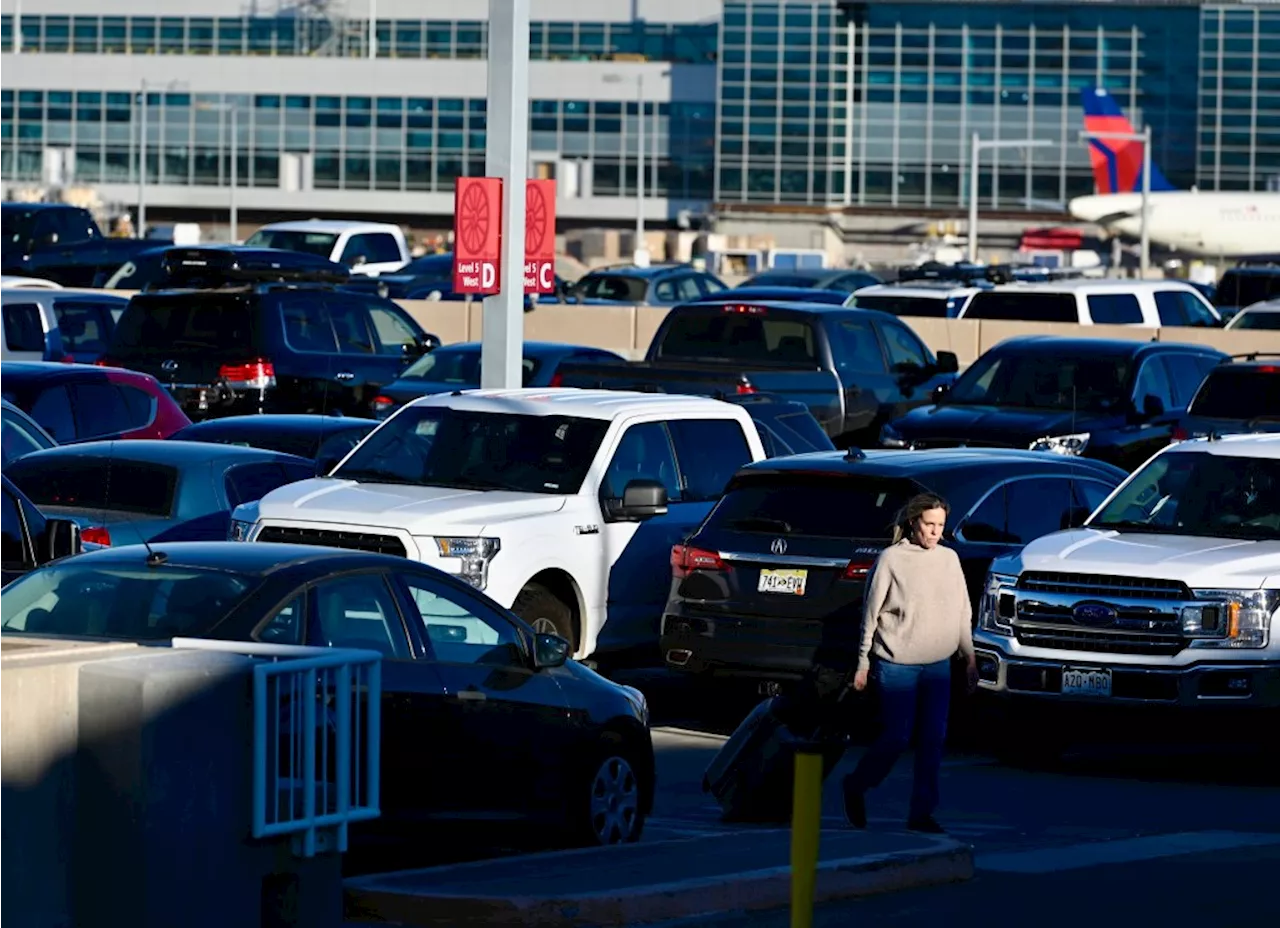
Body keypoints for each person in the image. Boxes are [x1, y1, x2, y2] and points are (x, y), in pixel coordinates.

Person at [842, 492, 977, 835]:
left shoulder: (949, 559)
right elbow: (870, 614)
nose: (935, 532)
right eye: (929, 525)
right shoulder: (891, 560)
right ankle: (857, 784)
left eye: (941, 526)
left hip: (938, 665)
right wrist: (861, 663)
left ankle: (921, 814)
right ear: (913, 522)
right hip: (897, 661)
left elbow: (962, 611)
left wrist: (970, 657)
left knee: (933, 739)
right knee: (897, 737)